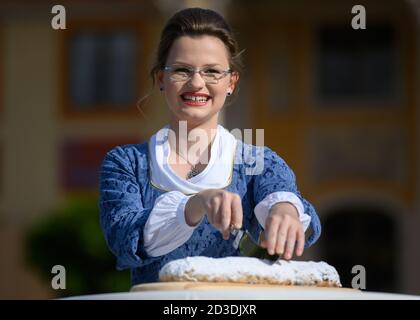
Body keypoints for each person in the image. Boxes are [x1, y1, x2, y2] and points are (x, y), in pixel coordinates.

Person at [99, 7, 321, 285]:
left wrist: (285, 211)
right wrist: (195, 203)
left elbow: (296, 210)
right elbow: (123, 240)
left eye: (212, 72)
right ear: (160, 79)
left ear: (231, 82)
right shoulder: (126, 163)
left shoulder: (256, 161)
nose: (196, 83)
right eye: (181, 70)